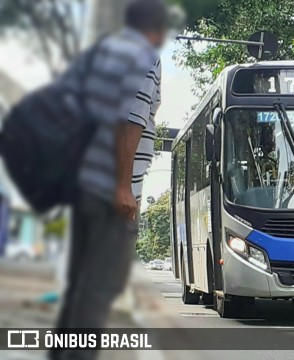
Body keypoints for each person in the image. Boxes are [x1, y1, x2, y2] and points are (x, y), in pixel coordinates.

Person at [50, 1, 167, 360]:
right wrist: (122, 186)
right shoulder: (143, 55)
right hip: (110, 188)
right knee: (101, 286)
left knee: (82, 286)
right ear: (156, 30)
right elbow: (132, 117)